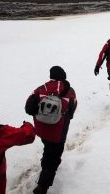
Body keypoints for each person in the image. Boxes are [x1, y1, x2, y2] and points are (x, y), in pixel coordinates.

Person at [25, 66, 77, 194]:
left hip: (41, 129)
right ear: (63, 75)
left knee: (48, 148)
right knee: (54, 157)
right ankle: (43, 186)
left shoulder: (41, 89)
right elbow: (72, 110)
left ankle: (46, 164)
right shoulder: (70, 91)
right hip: (58, 132)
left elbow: (28, 108)